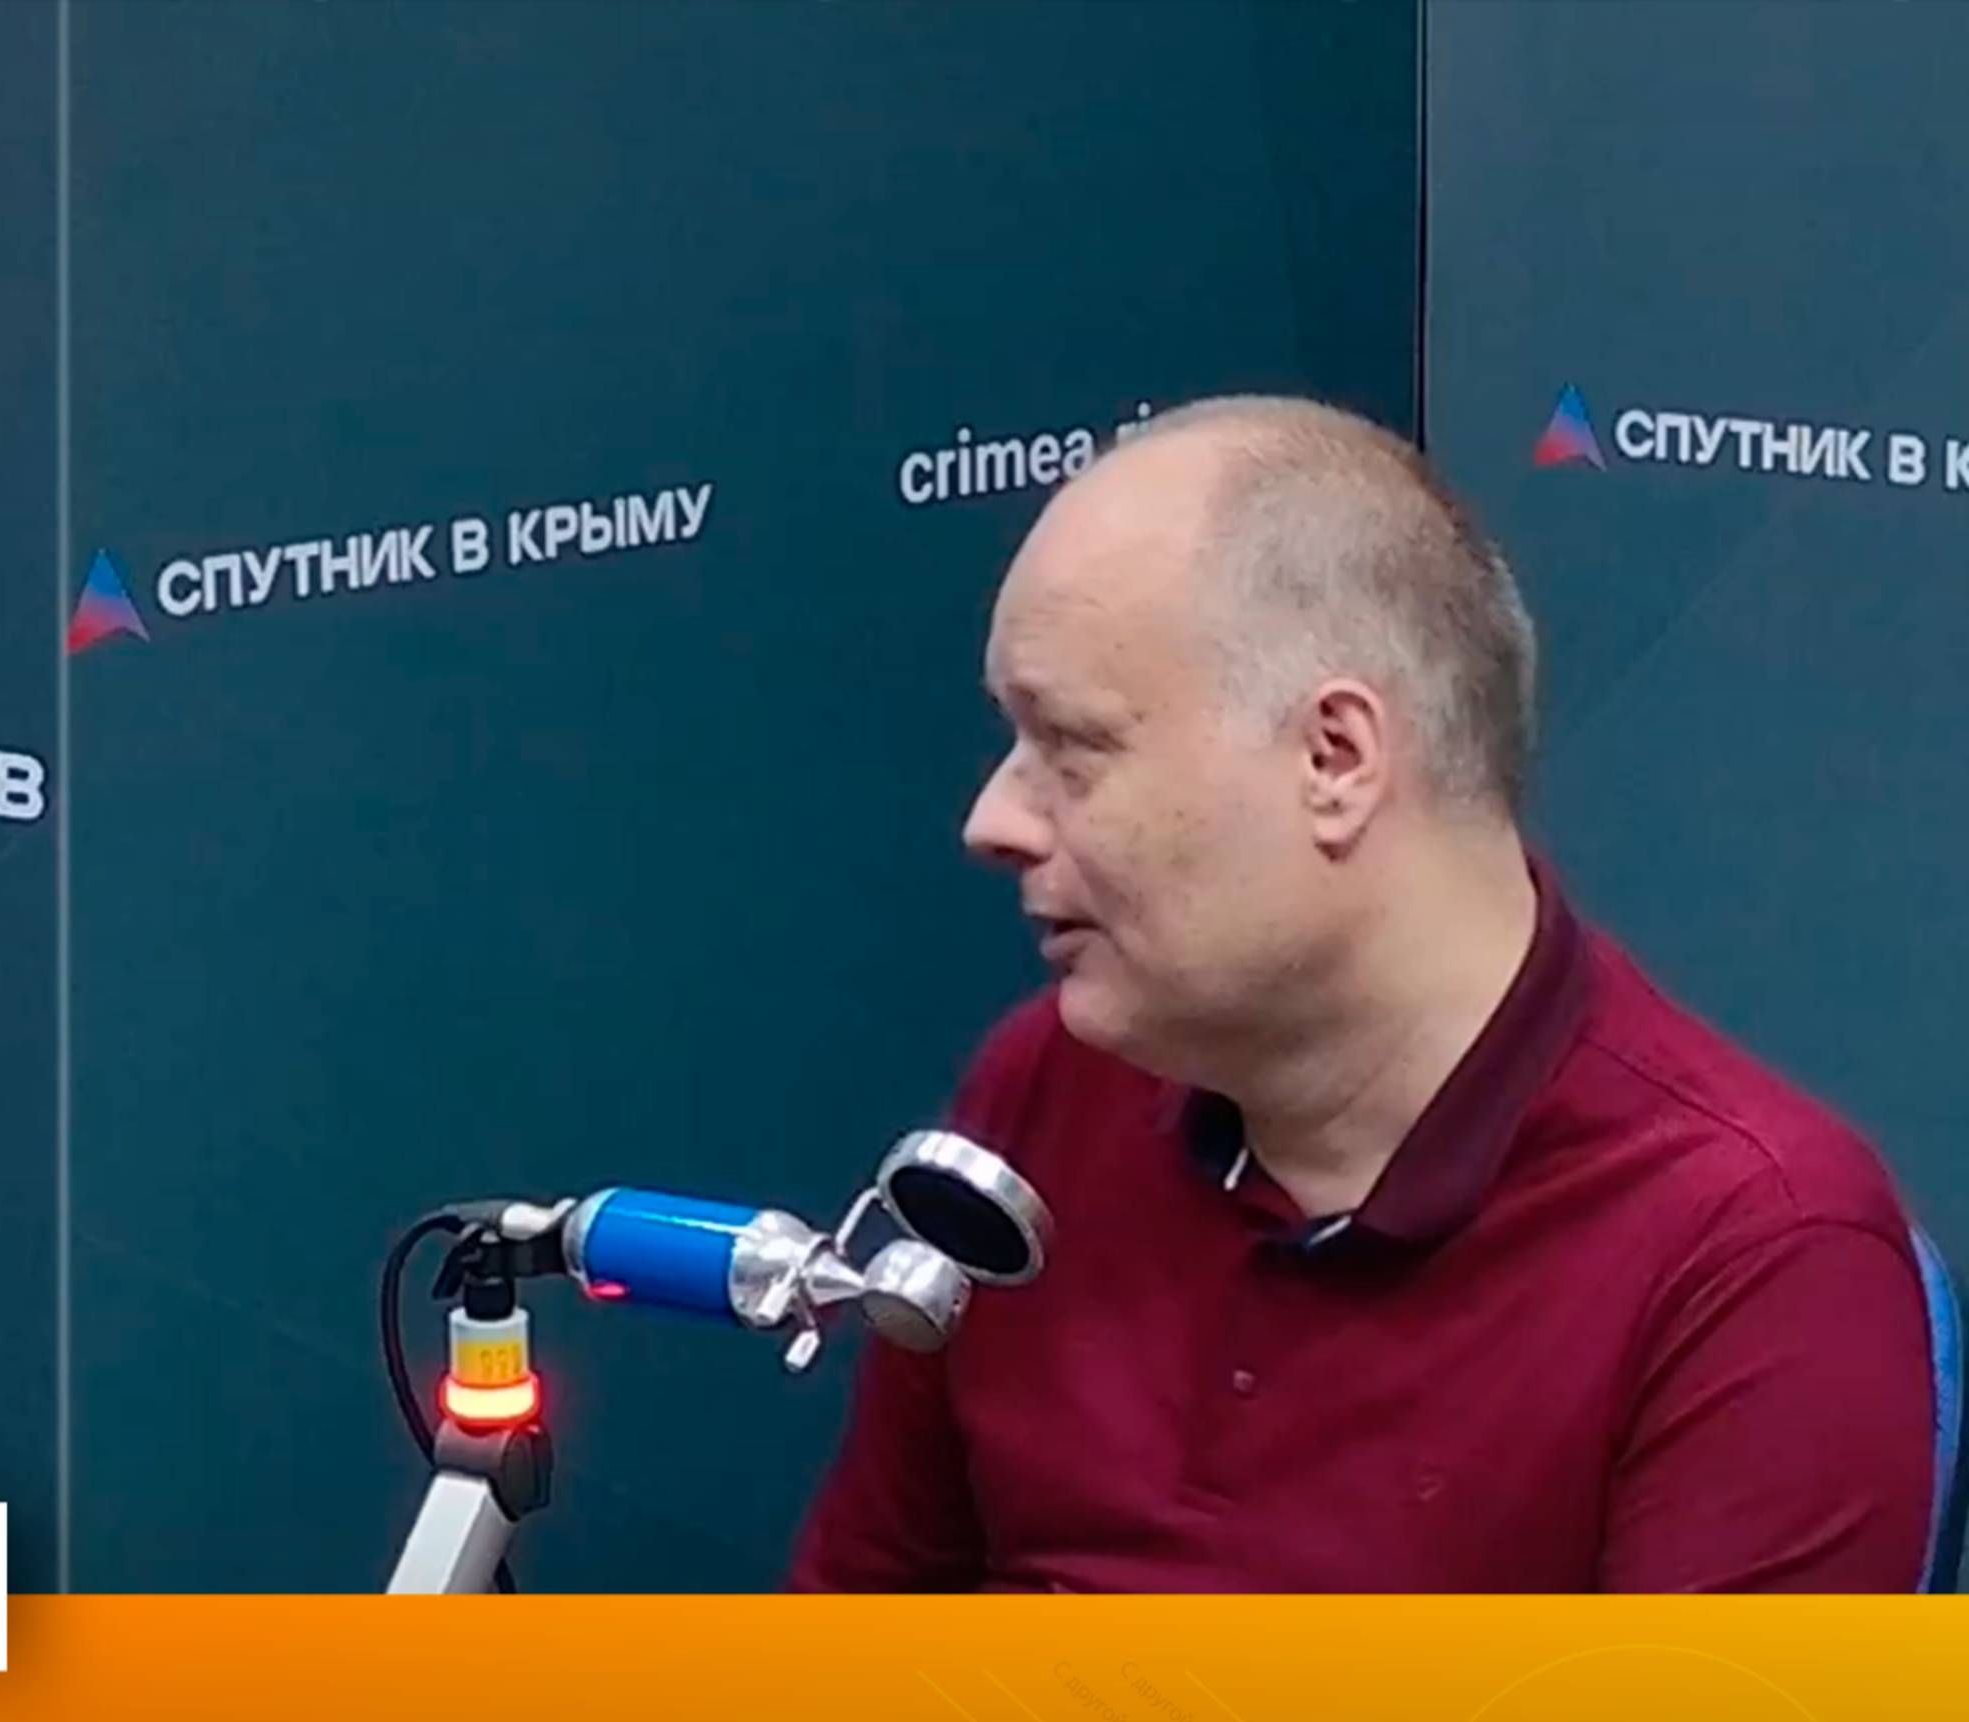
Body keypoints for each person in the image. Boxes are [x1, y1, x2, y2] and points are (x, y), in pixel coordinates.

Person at [792, 396, 1934, 1592]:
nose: (994, 820)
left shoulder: (1756, 1255)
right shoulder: (1042, 1092)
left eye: (1073, 748)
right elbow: (849, 1650)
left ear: (1334, 760)